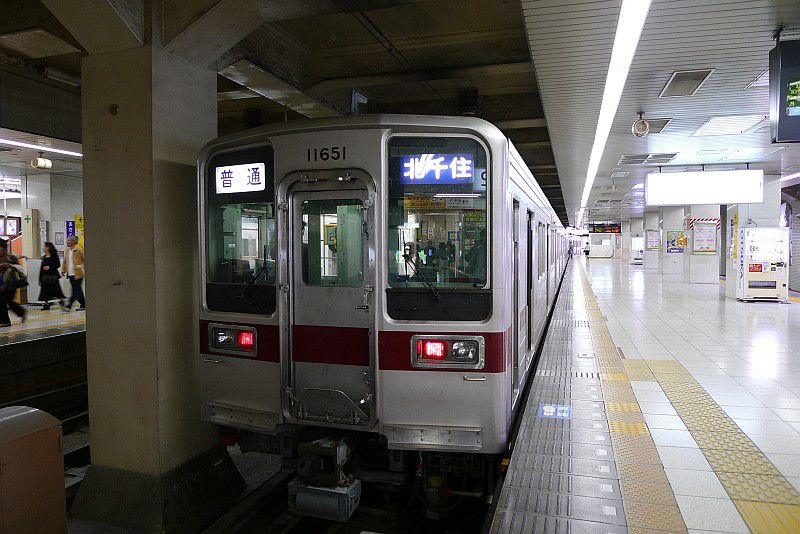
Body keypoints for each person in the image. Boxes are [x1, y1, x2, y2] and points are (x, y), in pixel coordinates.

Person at [0, 238, 27, 326]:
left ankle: (5, 321)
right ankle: (20, 312)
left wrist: (9, 266)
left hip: (9, 284)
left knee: (3, 301)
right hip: (4, 283)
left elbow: (14, 271)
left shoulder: (10, 257)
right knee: (8, 301)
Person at [60, 235, 85, 311]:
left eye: (69, 240)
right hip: (70, 273)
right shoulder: (67, 250)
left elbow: (85, 259)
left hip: (78, 273)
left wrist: (80, 266)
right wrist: (63, 270)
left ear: (74, 241)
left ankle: (69, 305)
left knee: (75, 290)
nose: (67, 242)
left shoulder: (79, 250)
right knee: (77, 290)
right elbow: (65, 261)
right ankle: (83, 304)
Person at [39, 242, 65, 310]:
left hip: (53, 276)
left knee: (56, 290)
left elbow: (58, 264)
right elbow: (42, 267)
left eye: (45, 247)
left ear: (48, 248)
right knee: (44, 291)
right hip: (45, 276)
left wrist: (49, 267)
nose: (44, 248)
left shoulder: (54, 255)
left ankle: (61, 300)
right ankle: (46, 304)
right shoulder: (44, 257)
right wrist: (40, 277)